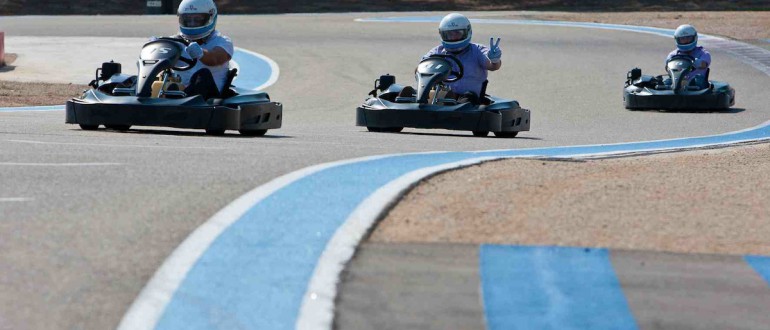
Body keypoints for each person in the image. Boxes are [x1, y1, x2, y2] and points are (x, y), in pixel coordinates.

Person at [151, 0, 234, 99]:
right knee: (132, 81)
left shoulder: (222, 41)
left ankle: (177, 98)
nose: (192, 23)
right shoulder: (175, 42)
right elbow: (158, 65)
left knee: (203, 75)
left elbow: (215, 58)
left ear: (211, 17)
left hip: (209, 100)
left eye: (198, 19)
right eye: (187, 19)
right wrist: (154, 50)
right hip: (179, 93)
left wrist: (201, 53)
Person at [411, 13, 502, 102]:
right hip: (441, 96)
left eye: (457, 33)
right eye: (449, 34)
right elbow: (420, 68)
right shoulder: (437, 52)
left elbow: (492, 66)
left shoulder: (477, 50)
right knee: (412, 93)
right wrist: (423, 70)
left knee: (467, 98)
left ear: (467, 32)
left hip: (469, 101)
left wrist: (494, 60)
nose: (453, 37)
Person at [666, 24, 711, 89]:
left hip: (696, 84)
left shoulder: (702, 53)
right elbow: (668, 64)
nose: (686, 41)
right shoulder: (673, 55)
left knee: (698, 80)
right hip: (677, 81)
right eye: (682, 39)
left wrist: (696, 63)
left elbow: (704, 64)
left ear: (694, 38)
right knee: (666, 82)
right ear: (677, 40)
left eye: (688, 38)